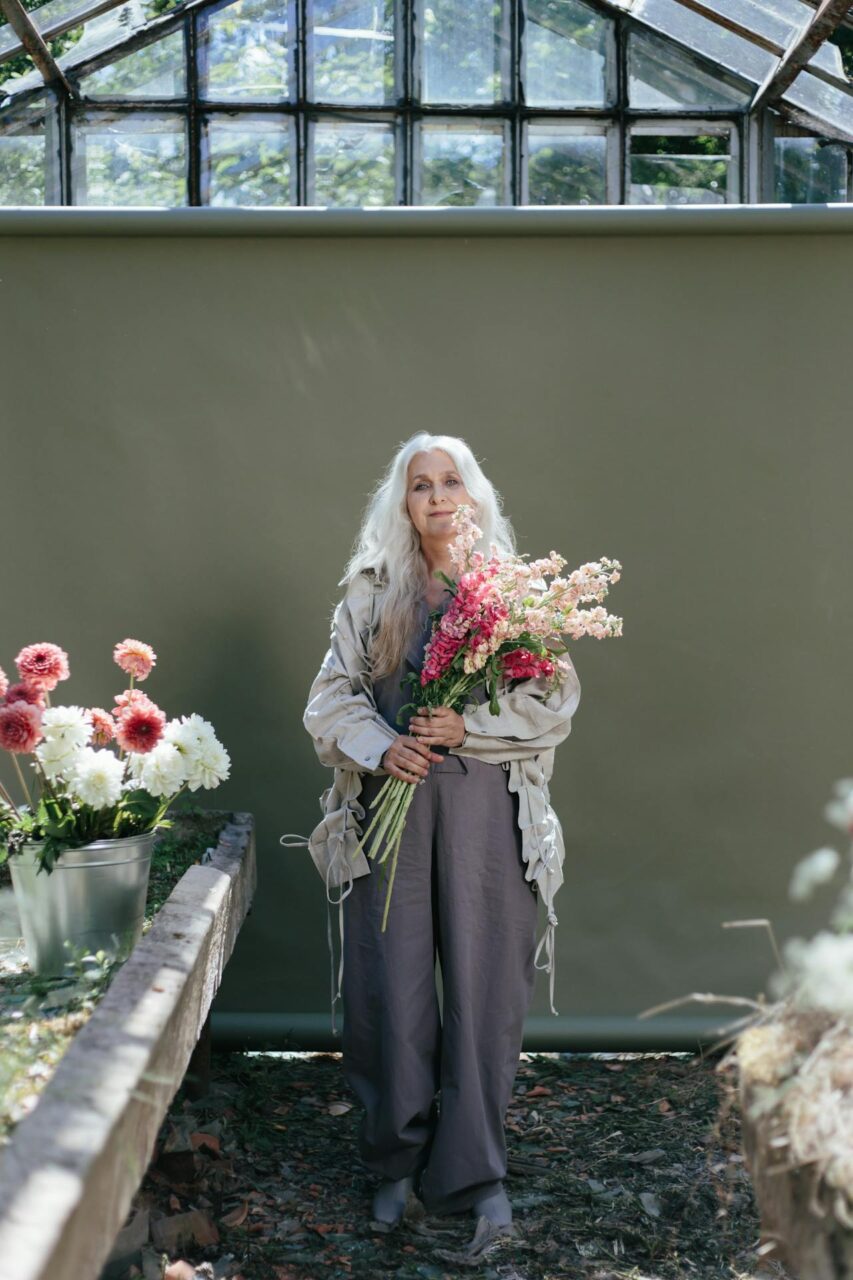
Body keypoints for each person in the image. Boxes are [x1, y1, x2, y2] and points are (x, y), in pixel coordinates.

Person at [297, 432, 581, 1236]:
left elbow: (553, 706)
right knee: (392, 995)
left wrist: (470, 724)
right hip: (391, 822)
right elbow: (328, 703)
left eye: (450, 480)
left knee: (486, 999)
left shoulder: (514, 596)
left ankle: (473, 1175)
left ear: (474, 494)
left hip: (490, 821)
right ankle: (394, 1163)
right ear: (403, 502)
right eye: (420, 484)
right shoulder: (372, 592)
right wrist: (383, 743)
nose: (437, 496)